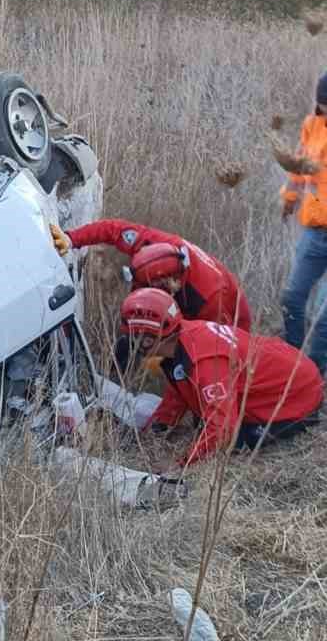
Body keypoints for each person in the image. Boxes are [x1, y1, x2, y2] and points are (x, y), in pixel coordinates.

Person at [118, 287, 323, 467]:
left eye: (135, 336)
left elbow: (221, 430)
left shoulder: (204, 362)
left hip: (298, 396)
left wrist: (183, 463)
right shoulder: (185, 335)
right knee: (203, 418)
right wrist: (155, 429)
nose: (132, 342)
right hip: (291, 368)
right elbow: (179, 391)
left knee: (233, 439)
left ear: (148, 339)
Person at [50, 217, 251, 330]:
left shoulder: (208, 298)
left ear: (169, 285)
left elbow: (206, 341)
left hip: (231, 321)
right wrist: (71, 239)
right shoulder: (153, 244)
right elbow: (112, 229)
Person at [280, 69, 327, 372]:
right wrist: (289, 199)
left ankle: (314, 375)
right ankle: (289, 363)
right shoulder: (312, 125)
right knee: (292, 298)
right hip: (315, 231)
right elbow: (298, 167)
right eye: (323, 104)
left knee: (325, 318)